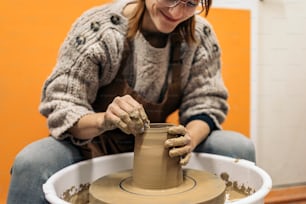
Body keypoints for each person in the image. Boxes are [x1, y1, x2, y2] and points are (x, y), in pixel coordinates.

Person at [7, 0, 256, 203]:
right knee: (32, 162)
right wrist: (105, 119)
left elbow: (207, 103)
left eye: (190, 3)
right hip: (91, 144)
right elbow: (62, 105)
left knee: (237, 147)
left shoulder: (198, 36)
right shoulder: (99, 29)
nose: (177, 12)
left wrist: (189, 139)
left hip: (160, 149)